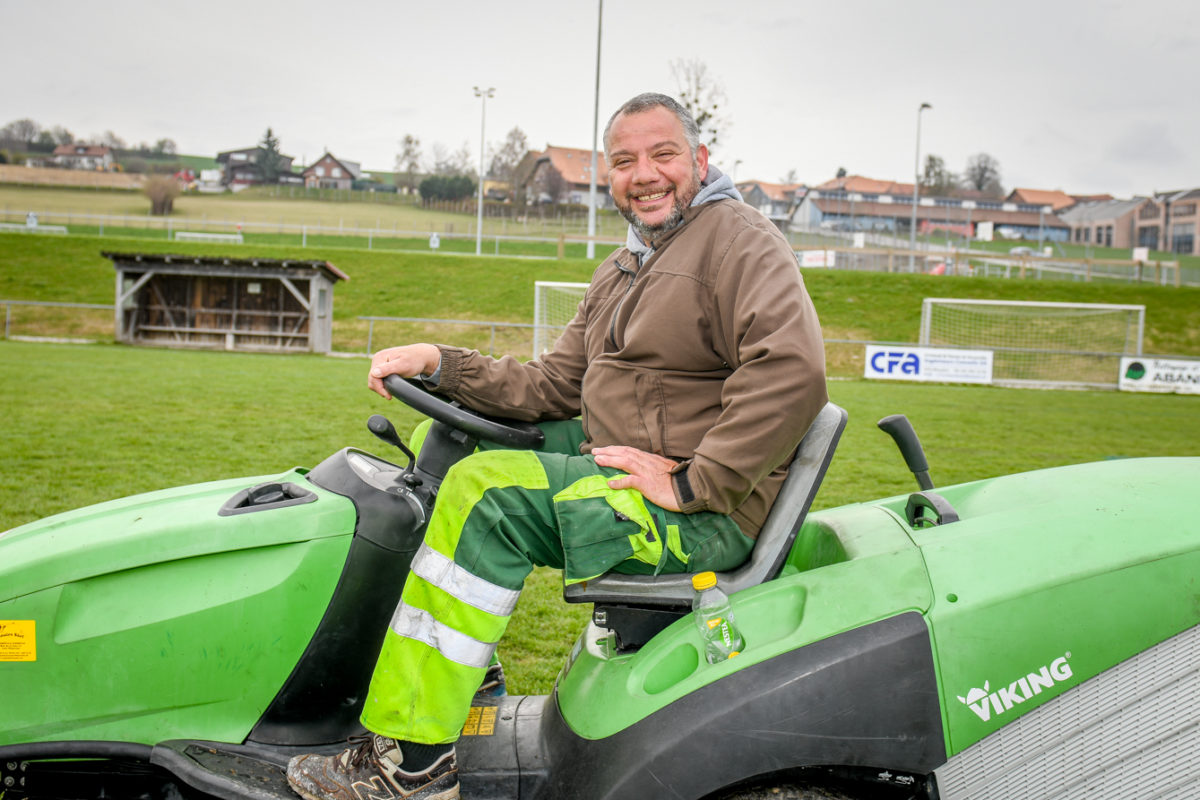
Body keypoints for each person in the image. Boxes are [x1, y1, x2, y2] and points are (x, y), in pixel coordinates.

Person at [286, 92, 828, 800]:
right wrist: (441, 365)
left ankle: (413, 768)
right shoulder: (626, 265)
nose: (646, 174)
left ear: (699, 160)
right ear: (610, 177)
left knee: (490, 500)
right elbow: (551, 386)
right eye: (627, 161)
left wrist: (697, 483)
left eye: (663, 154)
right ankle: (468, 674)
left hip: (702, 518)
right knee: (449, 445)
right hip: (638, 461)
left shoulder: (740, 241)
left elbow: (793, 367)